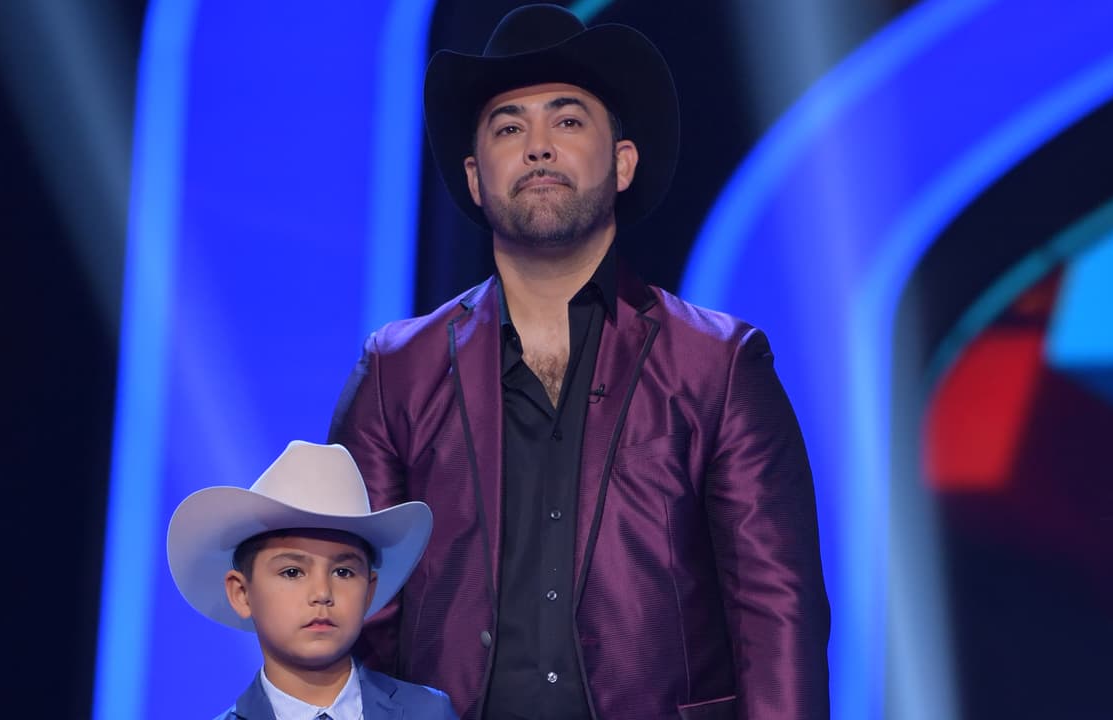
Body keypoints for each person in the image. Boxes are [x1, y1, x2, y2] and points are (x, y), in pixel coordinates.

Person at [329, 5, 829, 719]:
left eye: (567, 121)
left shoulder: (717, 366)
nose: (538, 147)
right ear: (474, 178)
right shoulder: (397, 371)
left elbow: (775, 609)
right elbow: (353, 601)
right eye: (509, 128)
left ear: (622, 163)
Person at [167, 440, 459, 719]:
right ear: (241, 593)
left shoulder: (429, 713)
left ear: (369, 592)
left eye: (343, 572)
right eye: (292, 572)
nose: (322, 593)